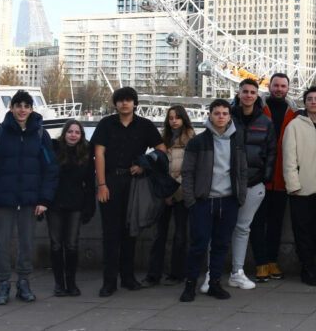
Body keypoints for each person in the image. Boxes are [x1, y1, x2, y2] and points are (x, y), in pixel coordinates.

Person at [0, 90, 58, 305]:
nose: (22, 109)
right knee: (1, 245)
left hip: (30, 201)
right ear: (11, 108)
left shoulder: (41, 134)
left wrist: (44, 200)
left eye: (26, 106)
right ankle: (3, 283)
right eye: (18, 105)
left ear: (32, 109)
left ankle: (24, 282)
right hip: (3, 200)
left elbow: (50, 170)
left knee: (27, 244)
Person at [93, 86, 166, 296]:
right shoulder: (107, 124)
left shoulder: (145, 126)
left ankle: (128, 278)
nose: (124, 103)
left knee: (130, 231)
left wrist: (145, 164)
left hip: (135, 182)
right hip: (110, 181)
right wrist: (101, 184)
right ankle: (109, 282)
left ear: (135, 103)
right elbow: (99, 154)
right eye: (120, 100)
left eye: (128, 100)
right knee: (110, 234)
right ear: (116, 103)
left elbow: (161, 151)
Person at [179, 99, 248, 302]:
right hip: (203, 201)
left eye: (224, 113)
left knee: (220, 245)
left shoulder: (237, 141)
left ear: (229, 116)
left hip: (228, 201)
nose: (220, 117)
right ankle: (190, 285)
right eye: (216, 113)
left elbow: (243, 171)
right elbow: (187, 172)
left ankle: (214, 284)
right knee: (199, 245)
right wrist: (191, 200)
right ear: (209, 115)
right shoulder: (197, 142)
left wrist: (239, 197)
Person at [224, 79, 276, 291]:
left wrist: (265, 176)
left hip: (254, 182)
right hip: (227, 181)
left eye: (252, 92)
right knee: (220, 228)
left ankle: (237, 271)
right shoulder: (227, 118)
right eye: (244, 91)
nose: (248, 95)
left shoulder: (265, 122)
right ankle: (214, 272)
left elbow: (271, 152)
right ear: (238, 94)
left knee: (243, 228)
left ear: (257, 96)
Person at [282, 87, 316, 286]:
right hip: (302, 189)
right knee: (302, 231)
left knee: (315, 231)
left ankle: (311, 264)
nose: (313, 102)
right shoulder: (294, 126)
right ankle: (307, 268)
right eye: (310, 99)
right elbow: (289, 159)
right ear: (305, 103)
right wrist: (293, 184)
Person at [251, 73, 297, 282]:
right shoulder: (257, 109)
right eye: (276, 85)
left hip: (282, 177)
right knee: (257, 222)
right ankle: (260, 263)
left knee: (276, 223)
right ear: (270, 87)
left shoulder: (294, 114)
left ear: (288, 88)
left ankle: (272, 260)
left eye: (283, 86)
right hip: (259, 176)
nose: (279, 89)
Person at [145, 106, 194, 287]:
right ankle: (153, 274)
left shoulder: (191, 140)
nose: (174, 121)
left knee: (181, 235)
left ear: (184, 119)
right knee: (159, 235)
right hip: (163, 192)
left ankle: (177, 273)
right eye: (171, 118)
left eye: (177, 117)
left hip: (181, 193)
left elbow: (190, 168)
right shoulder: (162, 140)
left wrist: (176, 189)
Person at [47, 119, 95, 297]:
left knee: (72, 244)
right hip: (54, 203)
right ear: (64, 133)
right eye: (70, 131)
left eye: (77, 132)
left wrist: (90, 207)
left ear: (81, 135)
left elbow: (90, 182)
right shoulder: (54, 149)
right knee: (56, 245)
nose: (73, 135)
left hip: (76, 203)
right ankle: (59, 283)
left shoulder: (86, 153)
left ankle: (71, 282)